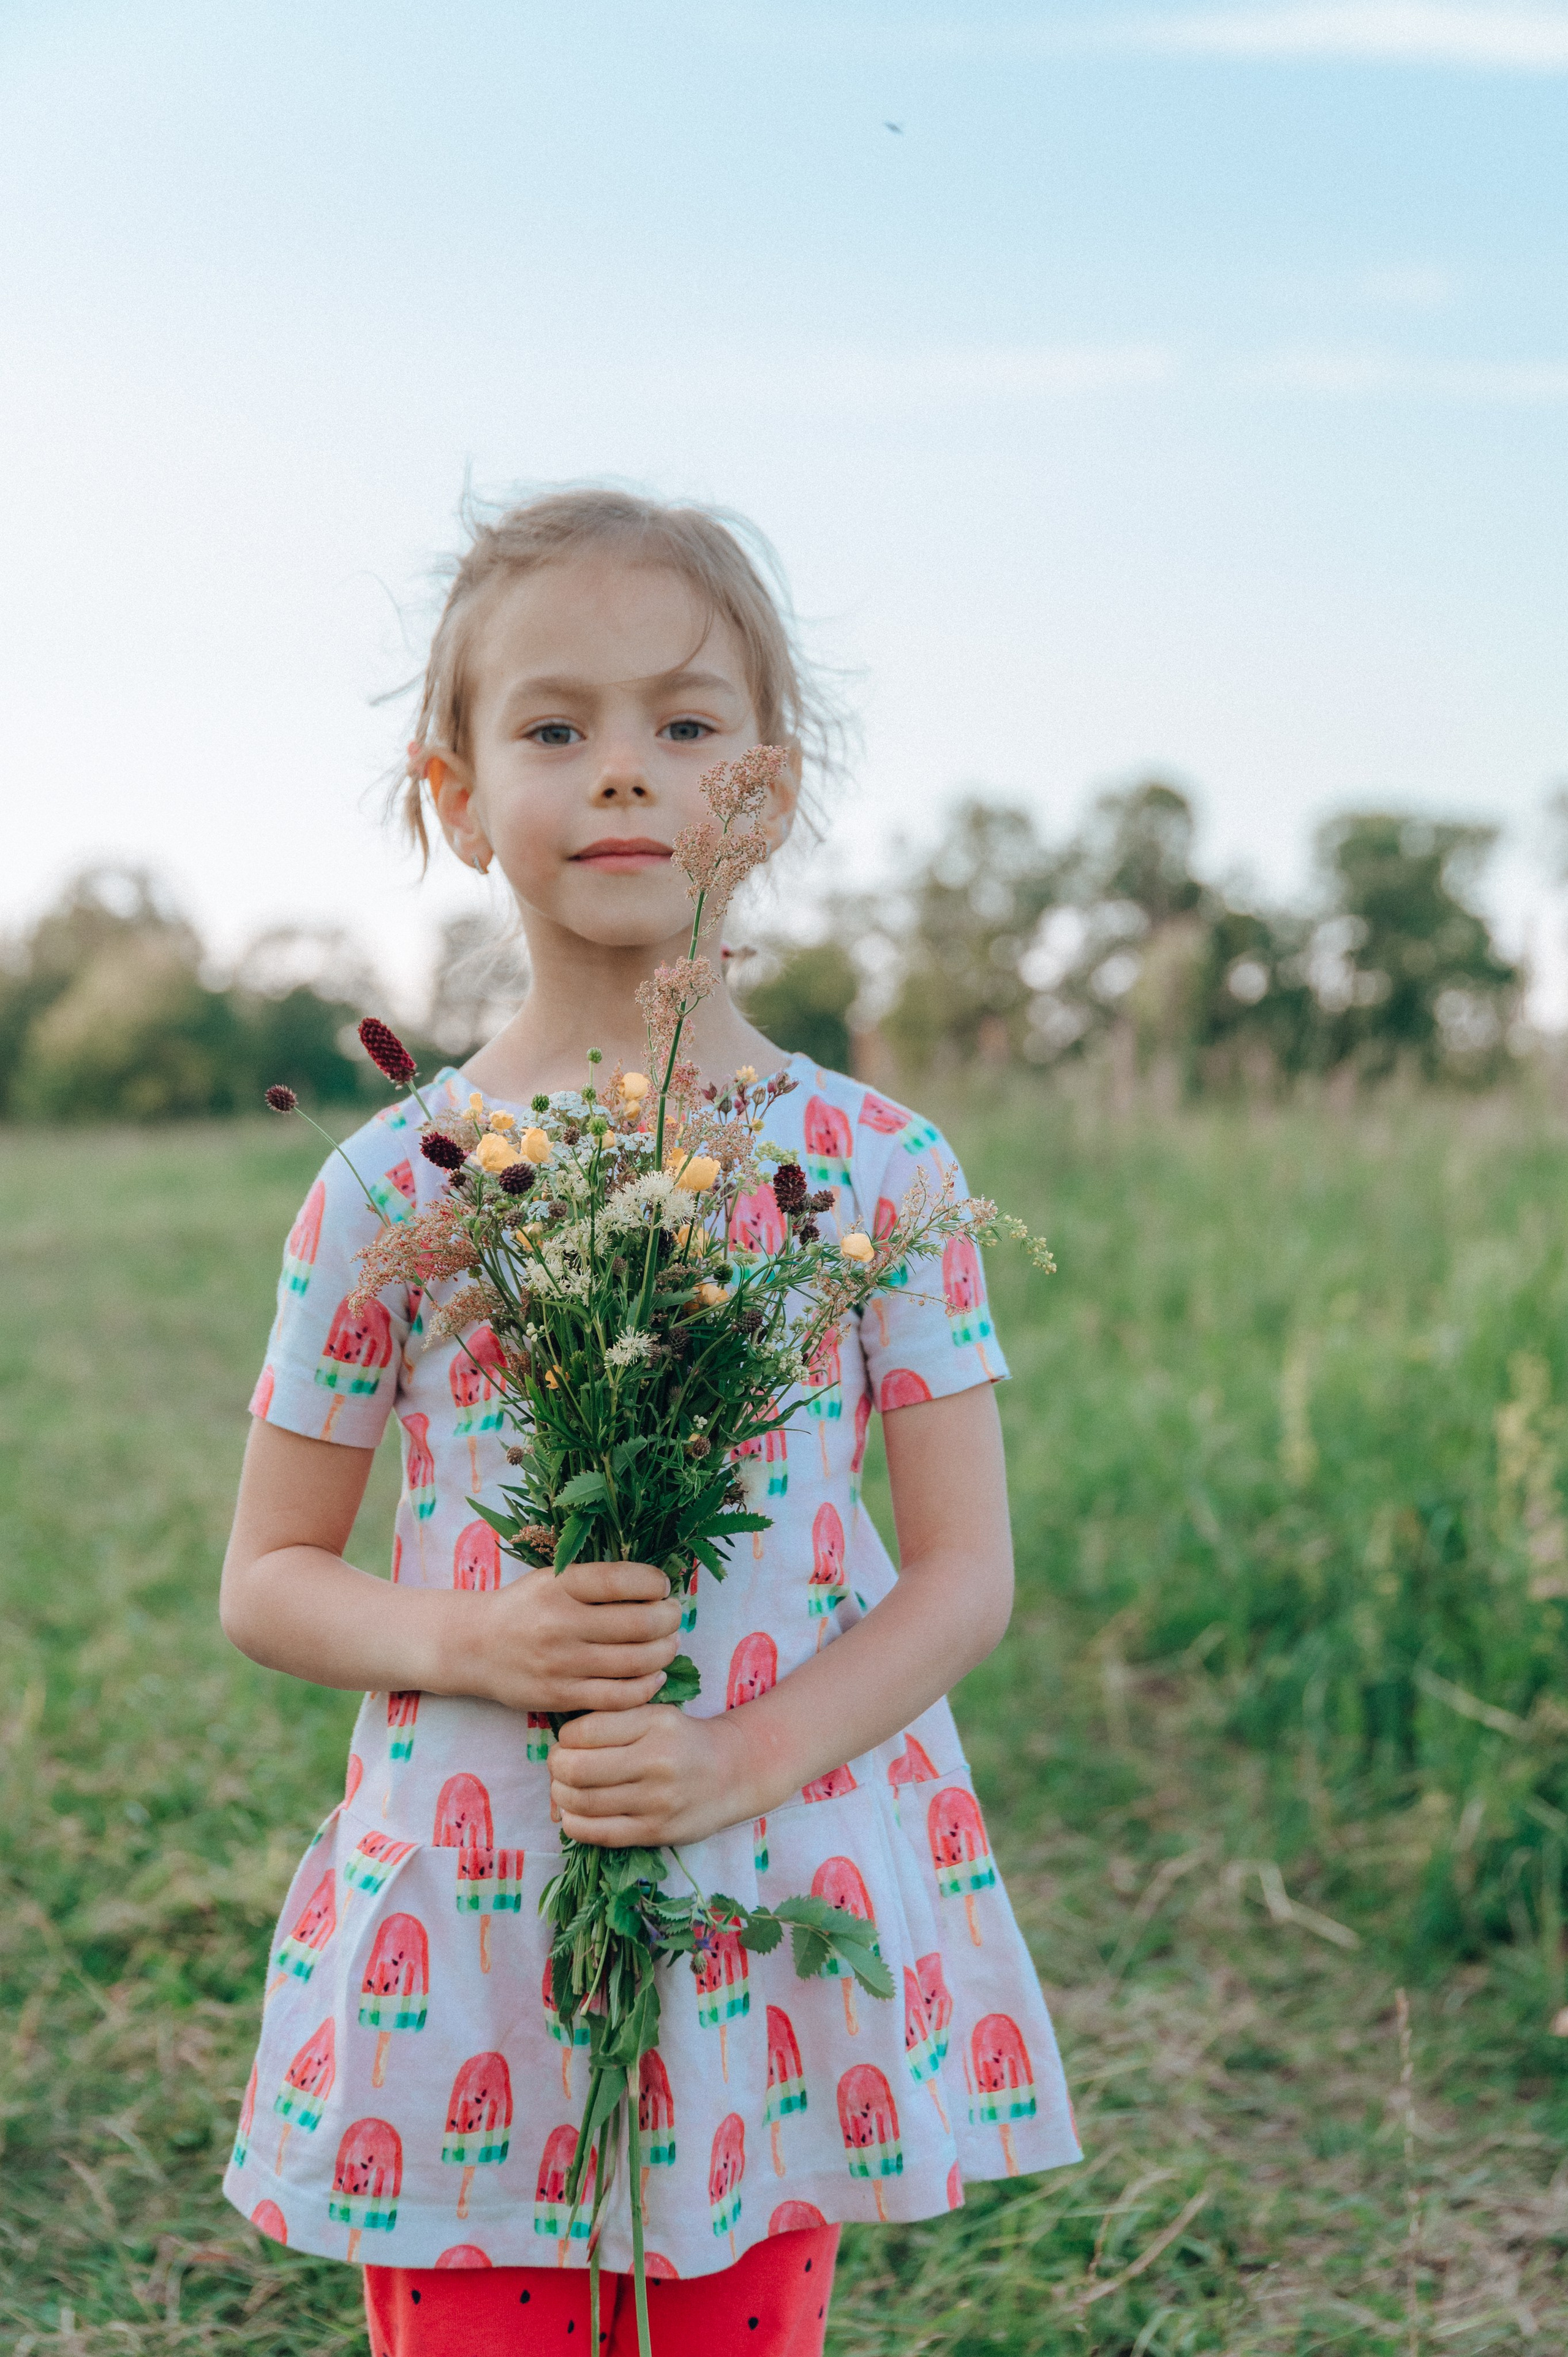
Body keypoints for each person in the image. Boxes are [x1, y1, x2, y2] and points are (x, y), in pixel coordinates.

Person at [219, 488, 1079, 2356]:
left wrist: (736, 1763)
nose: (624, 774)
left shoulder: (884, 1175)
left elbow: (961, 1579)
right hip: (481, 1896)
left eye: (685, 727)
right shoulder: (397, 1184)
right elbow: (270, 1578)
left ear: (767, 788)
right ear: (455, 795)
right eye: (555, 728)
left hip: (765, 1890)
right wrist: (472, 1635)